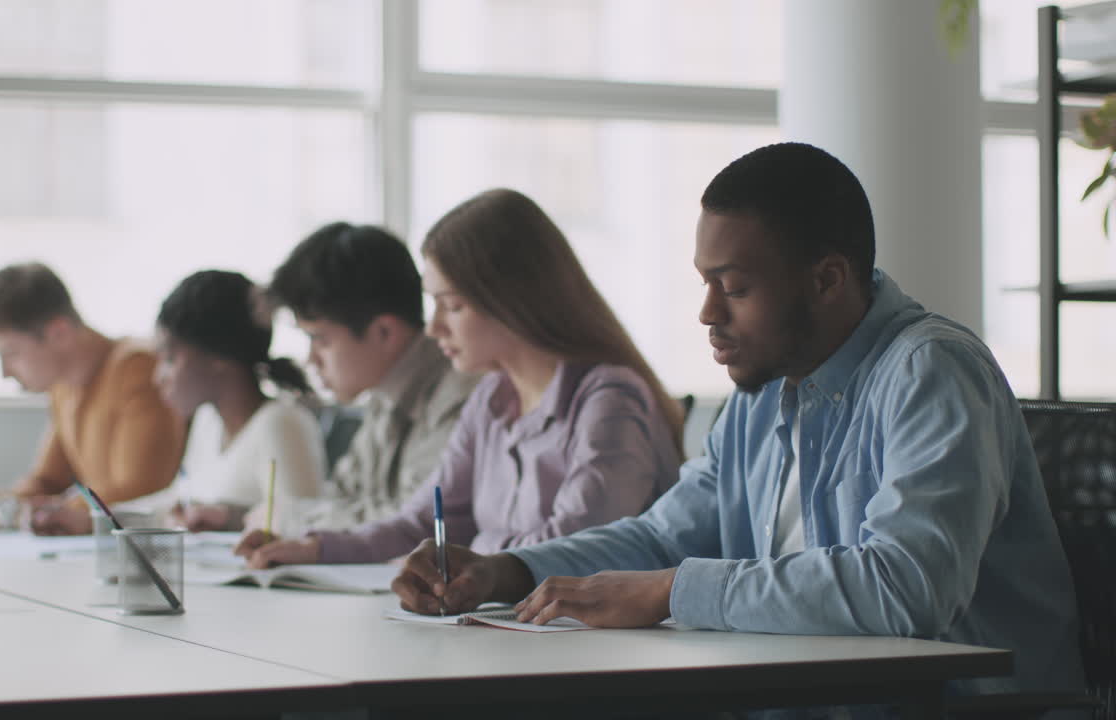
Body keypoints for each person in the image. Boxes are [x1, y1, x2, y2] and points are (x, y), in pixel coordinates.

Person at [392, 144, 1085, 711]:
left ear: (827, 280)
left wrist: (672, 590)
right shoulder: (764, 388)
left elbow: (906, 587)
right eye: (704, 281)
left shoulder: (931, 371)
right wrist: (507, 570)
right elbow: (665, 534)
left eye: (735, 287)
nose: (706, 313)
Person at [238, 189, 684, 567]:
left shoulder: (608, 400)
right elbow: (422, 523)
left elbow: (575, 549)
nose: (433, 329)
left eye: (451, 306)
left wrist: (477, 554)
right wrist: (314, 549)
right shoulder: (491, 399)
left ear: (512, 301)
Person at [239, 222, 479, 541]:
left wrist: (290, 519)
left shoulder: (462, 396)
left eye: (320, 340)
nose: (311, 360)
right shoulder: (384, 397)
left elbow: (415, 523)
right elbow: (341, 499)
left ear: (384, 332)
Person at [0, 262, 187, 535]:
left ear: (59, 332)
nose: (5, 372)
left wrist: (2, 515)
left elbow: (138, 492)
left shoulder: (137, 368)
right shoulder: (63, 387)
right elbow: (46, 481)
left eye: (11, 354)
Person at [148, 270, 326, 534]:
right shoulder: (208, 421)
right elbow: (173, 502)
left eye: (171, 359)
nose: (157, 377)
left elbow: (305, 529)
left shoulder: (281, 423)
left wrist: (231, 518)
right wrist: (98, 515)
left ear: (217, 356)